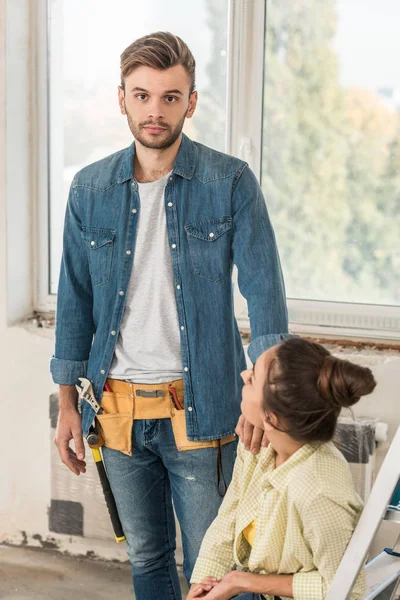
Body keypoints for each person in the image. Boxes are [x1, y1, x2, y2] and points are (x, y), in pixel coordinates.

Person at [51, 31, 293, 600]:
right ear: (121, 99)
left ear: (191, 101)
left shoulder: (229, 182)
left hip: (202, 411)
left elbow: (266, 297)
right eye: (141, 96)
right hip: (114, 409)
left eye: (168, 96)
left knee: (217, 567)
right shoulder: (88, 191)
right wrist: (66, 406)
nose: (154, 111)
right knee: (147, 558)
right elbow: (74, 303)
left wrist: (264, 395)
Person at [188, 337, 376, 600]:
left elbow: (347, 591)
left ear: (271, 417)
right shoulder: (256, 447)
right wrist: (200, 583)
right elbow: (228, 521)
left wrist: (242, 581)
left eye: (252, 378)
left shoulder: (319, 493)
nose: (243, 374)